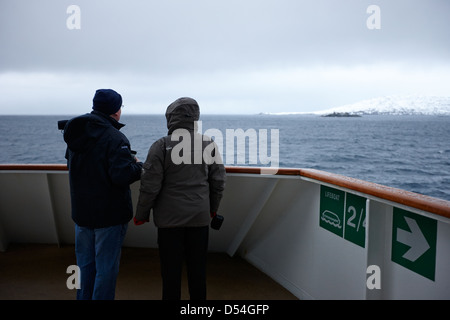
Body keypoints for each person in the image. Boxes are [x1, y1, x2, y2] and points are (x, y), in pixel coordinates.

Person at [134, 97, 226, 300]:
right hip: (199, 218)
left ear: (171, 118)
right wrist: (212, 209)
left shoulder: (161, 146)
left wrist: (141, 214)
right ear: (195, 117)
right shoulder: (208, 143)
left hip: (169, 222)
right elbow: (218, 181)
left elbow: (149, 186)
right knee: (198, 272)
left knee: (170, 274)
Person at [63, 89, 143, 300]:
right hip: (109, 216)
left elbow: (72, 162)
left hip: (82, 213)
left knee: (84, 266)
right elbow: (121, 175)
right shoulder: (115, 137)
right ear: (116, 111)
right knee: (106, 269)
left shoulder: (75, 132)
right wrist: (138, 166)